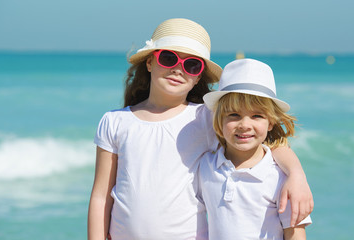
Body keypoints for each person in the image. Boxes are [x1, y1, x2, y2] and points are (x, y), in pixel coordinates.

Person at [88, 18, 313, 240]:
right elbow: (101, 196)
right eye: (168, 58)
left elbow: (270, 145)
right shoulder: (115, 121)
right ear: (149, 62)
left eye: (191, 64)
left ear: (198, 77)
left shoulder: (205, 117)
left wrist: (296, 174)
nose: (178, 69)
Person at [199, 58, 312, 239]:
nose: (245, 125)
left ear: (270, 122)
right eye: (234, 115)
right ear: (219, 121)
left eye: (256, 116)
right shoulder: (205, 166)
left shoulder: (281, 178)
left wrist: (296, 174)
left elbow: (295, 233)